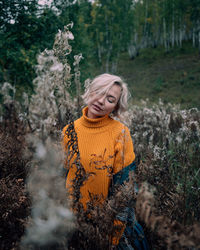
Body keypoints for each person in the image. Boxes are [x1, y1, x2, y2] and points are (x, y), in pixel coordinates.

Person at [62, 73, 149, 249]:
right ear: (89, 92)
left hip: (107, 223)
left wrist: (114, 235)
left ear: (115, 107)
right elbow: (63, 177)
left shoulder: (120, 133)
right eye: (98, 92)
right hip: (72, 222)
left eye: (110, 99)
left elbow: (124, 189)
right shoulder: (68, 130)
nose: (101, 101)